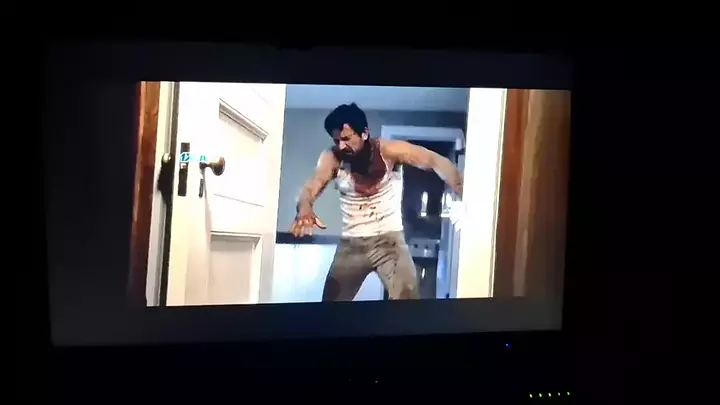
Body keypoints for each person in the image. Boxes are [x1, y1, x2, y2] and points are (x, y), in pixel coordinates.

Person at [290, 103, 464, 301]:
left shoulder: (389, 150)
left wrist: (461, 187)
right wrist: (304, 210)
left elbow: (433, 160)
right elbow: (311, 187)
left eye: (346, 139)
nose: (341, 146)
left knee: (408, 298)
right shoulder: (332, 157)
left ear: (364, 133)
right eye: (337, 140)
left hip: (390, 242)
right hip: (352, 244)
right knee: (330, 305)